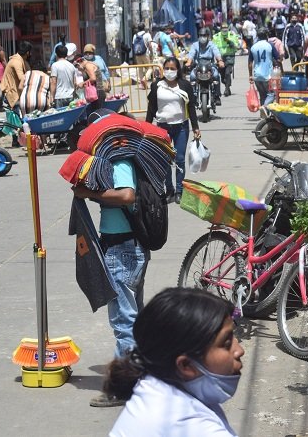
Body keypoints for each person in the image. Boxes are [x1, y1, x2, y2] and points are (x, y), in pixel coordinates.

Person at [71, 139, 150, 408]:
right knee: (133, 318)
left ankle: (121, 388)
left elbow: (127, 195)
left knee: (123, 321)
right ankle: (141, 377)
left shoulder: (121, 161)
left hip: (123, 248)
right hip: (123, 246)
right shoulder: (117, 160)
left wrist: (90, 195)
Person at [105, 287, 244, 436]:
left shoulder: (154, 382)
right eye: (227, 343)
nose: (240, 350)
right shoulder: (192, 425)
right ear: (185, 365)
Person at [146, 57, 200, 204]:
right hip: (163, 127)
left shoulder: (184, 85)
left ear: (178, 70)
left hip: (181, 127)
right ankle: (168, 189)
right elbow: (151, 107)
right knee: (165, 159)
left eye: (173, 68)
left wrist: (195, 127)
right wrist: (147, 126)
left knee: (180, 159)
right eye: (167, 68)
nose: (170, 71)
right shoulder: (157, 85)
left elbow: (191, 107)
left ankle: (179, 191)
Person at [0, 41, 32, 147]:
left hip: (17, 94)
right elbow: (22, 77)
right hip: (12, 94)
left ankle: (18, 140)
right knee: (17, 119)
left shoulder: (20, 60)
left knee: (16, 119)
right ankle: (18, 140)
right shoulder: (16, 62)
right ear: (27, 52)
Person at [186, 27, 224, 106]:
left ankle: (217, 96)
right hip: (198, 66)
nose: (202, 37)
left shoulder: (212, 45)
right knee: (192, 76)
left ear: (208, 36)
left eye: (204, 35)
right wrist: (189, 62)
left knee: (216, 75)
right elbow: (191, 54)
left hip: (210, 65)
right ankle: (193, 95)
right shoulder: (195, 45)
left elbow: (217, 53)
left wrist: (220, 61)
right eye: (201, 35)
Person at [248, 28, 279, 107]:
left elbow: (250, 63)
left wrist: (250, 75)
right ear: (266, 35)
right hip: (268, 76)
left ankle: (264, 116)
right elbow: (278, 58)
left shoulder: (253, 47)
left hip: (257, 76)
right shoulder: (270, 45)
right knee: (272, 94)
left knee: (262, 96)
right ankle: (264, 107)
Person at [212, 23, 240, 96]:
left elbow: (237, 47)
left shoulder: (232, 35)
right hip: (220, 58)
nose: (224, 29)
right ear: (220, 29)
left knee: (228, 73)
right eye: (223, 28)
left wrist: (232, 44)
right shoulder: (216, 37)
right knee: (222, 77)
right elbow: (212, 48)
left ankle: (226, 89)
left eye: (226, 28)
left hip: (230, 57)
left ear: (228, 28)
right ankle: (227, 86)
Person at [132, 24, 153, 88]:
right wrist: (151, 53)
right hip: (145, 54)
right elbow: (150, 45)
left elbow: (133, 45)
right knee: (150, 68)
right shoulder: (147, 35)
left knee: (140, 69)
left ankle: (142, 85)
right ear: (144, 28)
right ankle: (145, 79)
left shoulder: (135, 36)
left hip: (137, 54)